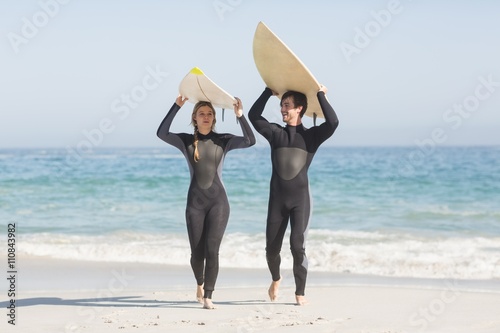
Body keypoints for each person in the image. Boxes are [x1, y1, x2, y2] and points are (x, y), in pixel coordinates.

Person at [157, 95, 255, 309]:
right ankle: (200, 283)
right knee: (196, 254)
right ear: (194, 118)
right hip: (195, 205)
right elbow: (161, 133)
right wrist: (177, 106)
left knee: (212, 250)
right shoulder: (185, 141)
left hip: (219, 203)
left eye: (209, 113)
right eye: (201, 113)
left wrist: (240, 116)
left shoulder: (224, 140)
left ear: (214, 119)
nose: (206, 117)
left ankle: (208, 296)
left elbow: (250, 140)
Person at [248, 86, 339, 305]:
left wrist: (320, 95)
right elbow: (253, 116)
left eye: (286, 105)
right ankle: (276, 278)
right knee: (271, 249)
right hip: (277, 201)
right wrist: (268, 92)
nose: (282, 109)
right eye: (282, 105)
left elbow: (333, 122)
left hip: (301, 201)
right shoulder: (275, 133)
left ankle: (300, 292)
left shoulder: (312, 136)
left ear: (299, 109)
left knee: (297, 246)